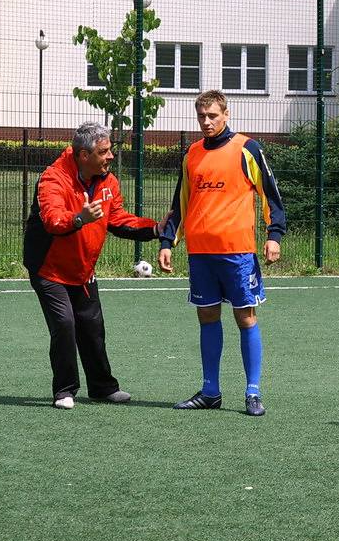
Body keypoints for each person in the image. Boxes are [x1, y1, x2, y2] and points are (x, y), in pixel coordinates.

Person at [158, 90, 285, 416]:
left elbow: (270, 195)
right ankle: (210, 391)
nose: (206, 122)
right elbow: (181, 202)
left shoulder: (247, 149)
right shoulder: (193, 154)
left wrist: (274, 235)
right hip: (200, 253)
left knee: (245, 317)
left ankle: (252, 392)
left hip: (237, 253)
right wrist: (167, 241)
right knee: (207, 316)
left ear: (226, 114)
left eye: (212, 116)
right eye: (201, 116)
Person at [24, 122, 167, 410]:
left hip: (83, 270)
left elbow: (117, 219)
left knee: (92, 327)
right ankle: (64, 390)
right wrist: (79, 218)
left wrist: (155, 229)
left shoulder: (107, 180)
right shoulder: (53, 179)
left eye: (110, 150)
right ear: (83, 155)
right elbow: (53, 220)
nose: (111, 156)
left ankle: (102, 388)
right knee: (65, 325)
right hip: (48, 269)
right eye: (104, 151)